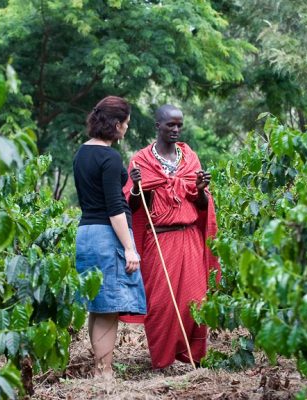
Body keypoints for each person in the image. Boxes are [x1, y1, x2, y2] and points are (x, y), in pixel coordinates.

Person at [120, 104, 220, 369]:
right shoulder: (141, 161)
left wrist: (200, 191)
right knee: (161, 305)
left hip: (190, 238)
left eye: (179, 125)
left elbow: (201, 206)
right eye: (170, 125)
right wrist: (138, 188)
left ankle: (192, 358)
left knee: (195, 300)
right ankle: (162, 361)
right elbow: (131, 206)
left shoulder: (190, 159)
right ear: (158, 126)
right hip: (159, 240)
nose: (176, 130)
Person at [73, 96, 146, 378]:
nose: (126, 128)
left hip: (86, 233)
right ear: (116, 124)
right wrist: (129, 248)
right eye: (126, 123)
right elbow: (115, 207)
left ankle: (99, 368)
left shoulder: (82, 152)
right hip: (107, 234)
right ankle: (104, 372)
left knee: (97, 304)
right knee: (108, 308)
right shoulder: (110, 156)